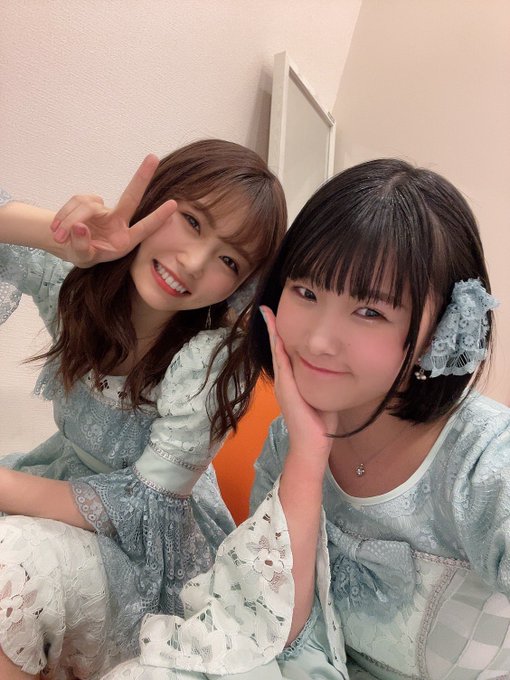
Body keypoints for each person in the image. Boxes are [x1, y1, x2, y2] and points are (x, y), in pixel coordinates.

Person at [102, 158, 509, 680]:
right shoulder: (287, 440)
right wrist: (308, 458)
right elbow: (274, 633)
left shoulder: (484, 461)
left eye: (370, 312)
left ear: (442, 329)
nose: (317, 340)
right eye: (307, 293)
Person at [0, 138, 287, 680]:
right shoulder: (78, 289)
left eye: (229, 260)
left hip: (145, 554)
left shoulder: (207, 363)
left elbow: (139, 503)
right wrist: (56, 237)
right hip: (61, 488)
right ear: (156, 199)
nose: (193, 263)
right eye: (193, 222)